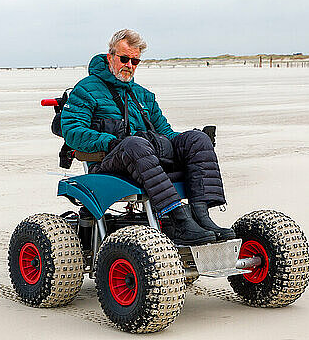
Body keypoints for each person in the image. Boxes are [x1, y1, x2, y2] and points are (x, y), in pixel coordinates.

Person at [61, 29, 234, 246]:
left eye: (135, 61)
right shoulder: (86, 90)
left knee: (196, 140)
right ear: (110, 57)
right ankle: (178, 219)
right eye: (124, 59)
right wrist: (110, 142)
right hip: (109, 161)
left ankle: (201, 217)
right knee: (134, 144)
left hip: (145, 157)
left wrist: (194, 139)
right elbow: (72, 132)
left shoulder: (142, 95)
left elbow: (166, 133)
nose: (129, 65)